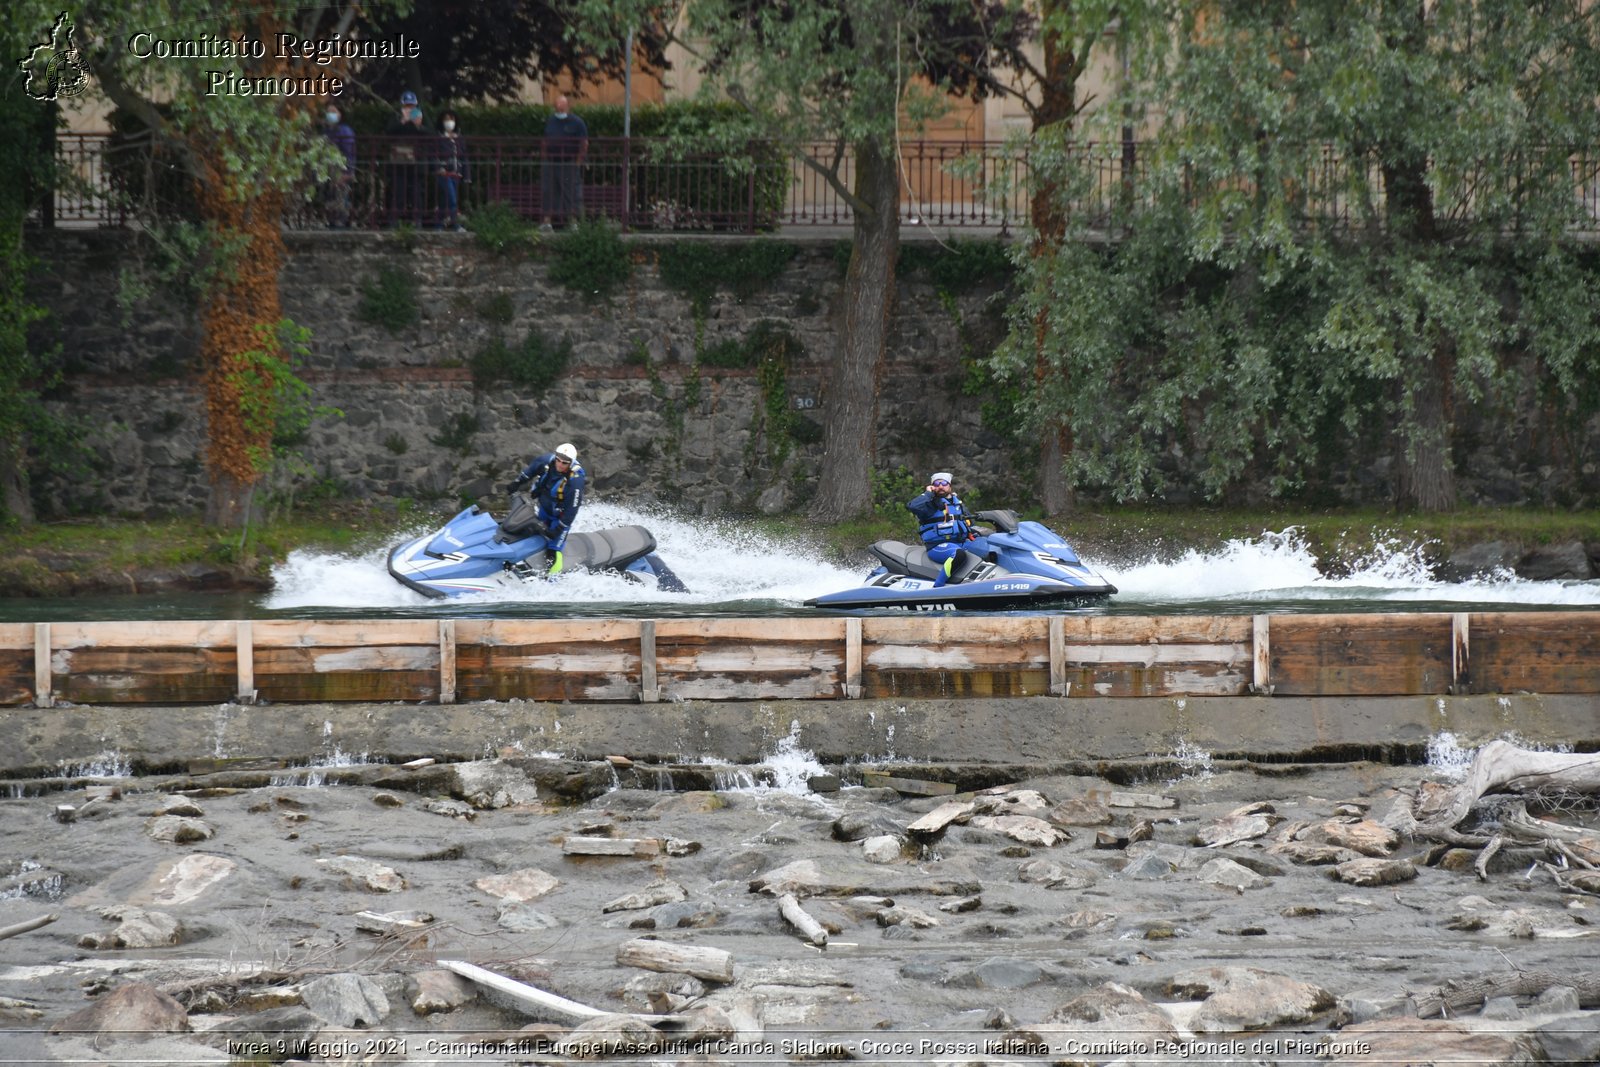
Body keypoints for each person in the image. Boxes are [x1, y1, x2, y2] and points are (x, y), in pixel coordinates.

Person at [504, 443, 586, 576]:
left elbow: (572, 509)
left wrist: (558, 529)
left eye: (564, 463)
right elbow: (529, 471)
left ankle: (552, 578)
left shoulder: (575, 481)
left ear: (570, 463)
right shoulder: (547, 461)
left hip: (560, 517)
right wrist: (516, 483)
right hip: (544, 509)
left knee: (552, 550)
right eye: (558, 460)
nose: (559, 464)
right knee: (531, 534)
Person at [906, 471, 976, 588]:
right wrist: (928, 494)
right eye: (936, 484)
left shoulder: (957, 503)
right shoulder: (929, 505)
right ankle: (938, 587)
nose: (940, 486)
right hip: (938, 546)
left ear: (949, 485)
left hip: (961, 542)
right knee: (958, 554)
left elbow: (970, 523)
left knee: (987, 546)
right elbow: (912, 506)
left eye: (944, 483)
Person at [540, 94, 587, 231]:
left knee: (570, 191)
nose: (559, 109)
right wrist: (544, 157)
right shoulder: (551, 121)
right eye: (557, 106)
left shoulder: (577, 122)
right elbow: (545, 140)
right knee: (548, 190)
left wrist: (578, 161)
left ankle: (572, 222)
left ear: (567, 106)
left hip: (568, 161)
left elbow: (584, 143)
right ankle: (547, 221)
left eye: (561, 106)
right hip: (551, 160)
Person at [384, 90, 428, 225]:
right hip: (399, 161)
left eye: (412, 106)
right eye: (407, 106)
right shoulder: (396, 118)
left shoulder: (420, 117)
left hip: (417, 162)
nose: (409, 109)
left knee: (415, 192)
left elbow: (430, 134)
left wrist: (418, 125)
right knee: (398, 191)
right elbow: (388, 132)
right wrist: (402, 121)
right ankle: (395, 219)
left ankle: (417, 220)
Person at [319, 102, 356, 227]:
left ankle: (341, 223)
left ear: (340, 114)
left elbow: (349, 153)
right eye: (329, 112)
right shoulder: (326, 131)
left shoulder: (345, 131)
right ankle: (332, 222)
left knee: (341, 197)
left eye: (333, 112)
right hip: (328, 170)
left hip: (341, 169)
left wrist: (347, 172)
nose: (330, 115)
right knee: (330, 198)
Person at [433, 109, 468, 231]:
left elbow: (464, 157)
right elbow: (433, 154)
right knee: (452, 199)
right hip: (444, 173)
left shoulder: (459, 138)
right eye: (447, 119)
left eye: (452, 119)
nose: (449, 122)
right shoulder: (438, 137)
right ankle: (456, 225)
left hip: (456, 173)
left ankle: (438, 225)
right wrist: (439, 168)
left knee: (444, 200)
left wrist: (466, 175)